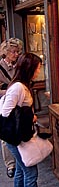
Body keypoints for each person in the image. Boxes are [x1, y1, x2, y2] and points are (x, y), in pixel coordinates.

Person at [0, 52, 58, 187]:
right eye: (37, 68)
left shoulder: (21, 85)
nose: (39, 71)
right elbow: (5, 113)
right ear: (29, 69)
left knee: (21, 168)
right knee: (30, 171)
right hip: (16, 137)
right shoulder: (18, 87)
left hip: (16, 137)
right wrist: (29, 116)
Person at [0, 38, 23, 178]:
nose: (16, 54)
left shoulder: (18, 66)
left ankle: (20, 157)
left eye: (17, 52)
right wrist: (9, 92)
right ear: (6, 52)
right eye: (13, 52)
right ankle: (10, 164)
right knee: (5, 134)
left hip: (18, 104)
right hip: (4, 104)